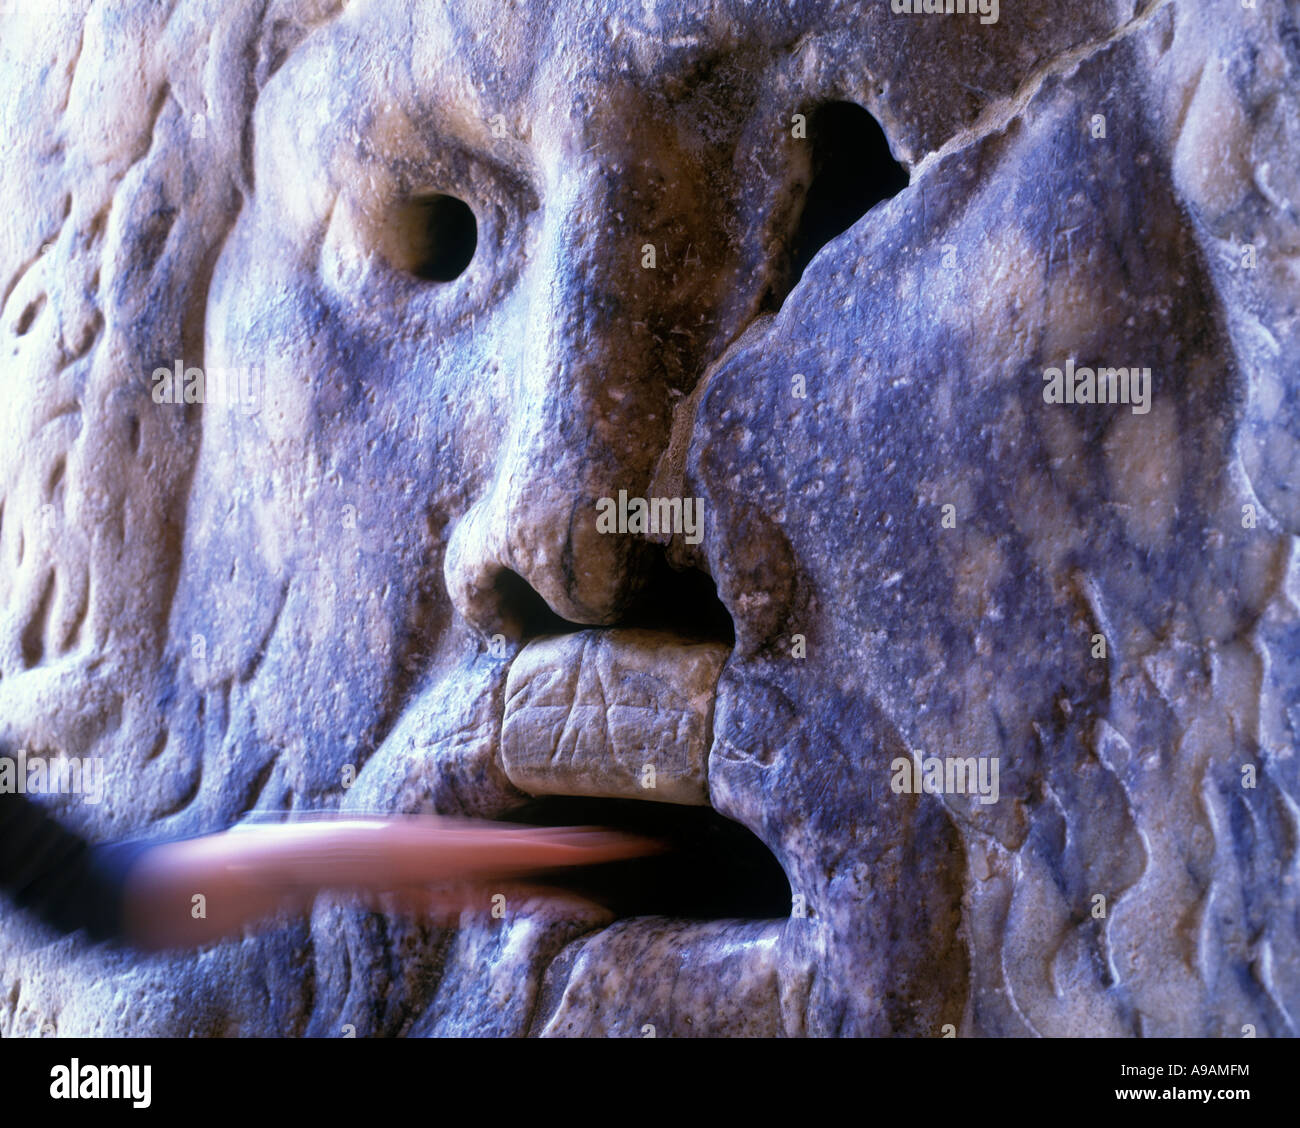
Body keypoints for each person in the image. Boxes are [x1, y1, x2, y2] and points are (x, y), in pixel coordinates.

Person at [0, 769, 655, 952]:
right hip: (126, 895)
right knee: (308, 858)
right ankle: (602, 848)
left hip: (116, 883)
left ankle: (587, 878)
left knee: (354, 874)